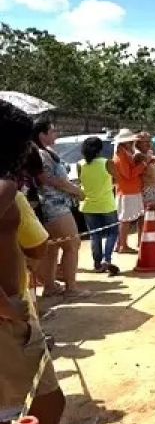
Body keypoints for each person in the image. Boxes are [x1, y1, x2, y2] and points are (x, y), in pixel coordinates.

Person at [0, 100, 66, 424]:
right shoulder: (5, 192)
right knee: (48, 404)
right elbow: (38, 248)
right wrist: (9, 309)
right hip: (8, 318)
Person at [31, 119, 86, 298]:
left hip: (52, 205)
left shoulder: (46, 152)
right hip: (54, 206)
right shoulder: (41, 154)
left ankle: (50, 286)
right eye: (52, 131)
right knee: (72, 244)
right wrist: (76, 191)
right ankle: (71, 288)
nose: (56, 134)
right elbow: (50, 179)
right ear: (42, 135)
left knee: (53, 248)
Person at [77, 137, 120, 276]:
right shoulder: (107, 162)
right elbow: (117, 178)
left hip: (88, 205)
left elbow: (81, 181)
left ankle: (97, 264)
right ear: (100, 149)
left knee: (95, 235)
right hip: (106, 204)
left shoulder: (80, 164)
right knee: (112, 232)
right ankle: (107, 259)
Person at [112, 129, 146, 253]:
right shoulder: (120, 156)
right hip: (127, 191)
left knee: (125, 219)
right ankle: (123, 246)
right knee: (124, 220)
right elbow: (128, 175)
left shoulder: (125, 153)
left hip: (130, 190)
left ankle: (120, 244)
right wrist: (142, 165)